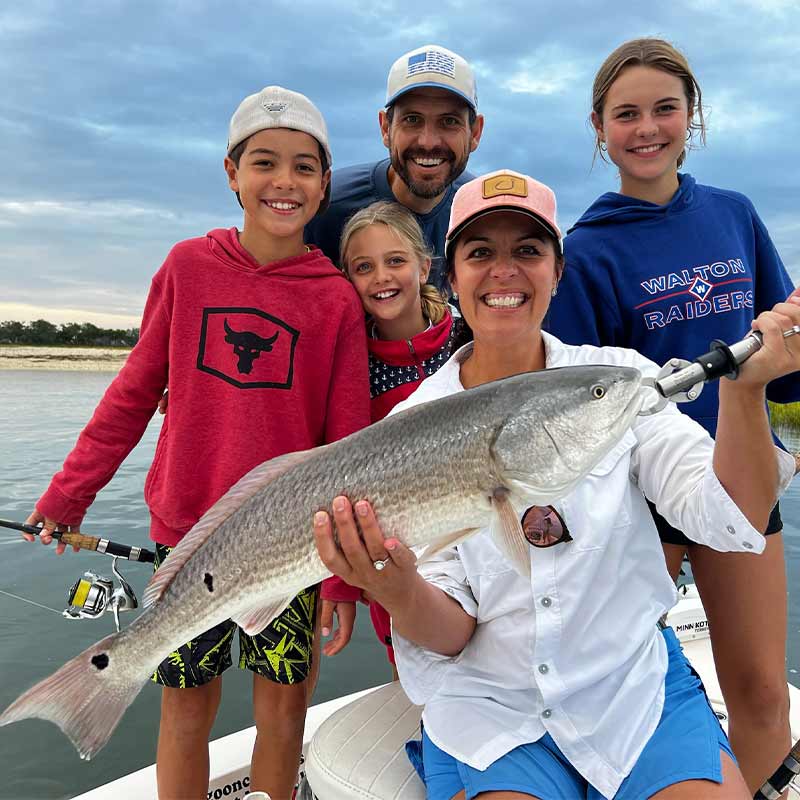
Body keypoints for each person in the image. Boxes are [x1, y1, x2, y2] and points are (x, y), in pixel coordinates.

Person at [313, 169, 800, 799]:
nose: (504, 271)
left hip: (630, 693)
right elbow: (452, 633)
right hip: (489, 708)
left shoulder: (620, 379)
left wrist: (746, 387)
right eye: (481, 252)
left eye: (528, 250)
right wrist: (396, 588)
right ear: (451, 275)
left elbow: (729, 515)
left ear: (558, 270)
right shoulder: (412, 429)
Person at [22, 86, 370, 800]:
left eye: (305, 167)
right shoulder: (187, 267)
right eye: (265, 163)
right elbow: (131, 393)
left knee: (284, 712)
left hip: (293, 547)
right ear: (231, 172)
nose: (284, 182)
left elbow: (350, 447)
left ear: (324, 184)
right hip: (186, 537)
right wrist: (69, 495)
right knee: (185, 710)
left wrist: (339, 573)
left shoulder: (335, 297)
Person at [546, 37, 799, 794]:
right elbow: (572, 395)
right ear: (599, 127)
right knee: (627, 698)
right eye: (626, 114)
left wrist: (794, 435)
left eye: (665, 109)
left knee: (758, 690)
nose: (647, 127)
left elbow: (784, 345)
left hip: (740, 481)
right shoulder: (584, 252)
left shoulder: (734, 214)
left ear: (692, 116)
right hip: (638, 504)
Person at [320, 200, 467, 672]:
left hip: (476, 534)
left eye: (396, 261)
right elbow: (332, 475)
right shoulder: (349, 368)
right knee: (411, 666)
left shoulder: (469, 339)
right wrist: (340, 584)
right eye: (364, 267)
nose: (381, 276)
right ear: (348, 278)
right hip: (393, 556)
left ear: (425, 265)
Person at [305, 44, 484, 291]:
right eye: (412, 120)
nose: (428, 142)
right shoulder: (324, 206)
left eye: (449, 122)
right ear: (385, 128)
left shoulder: (482, 214)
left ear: (475, 133)